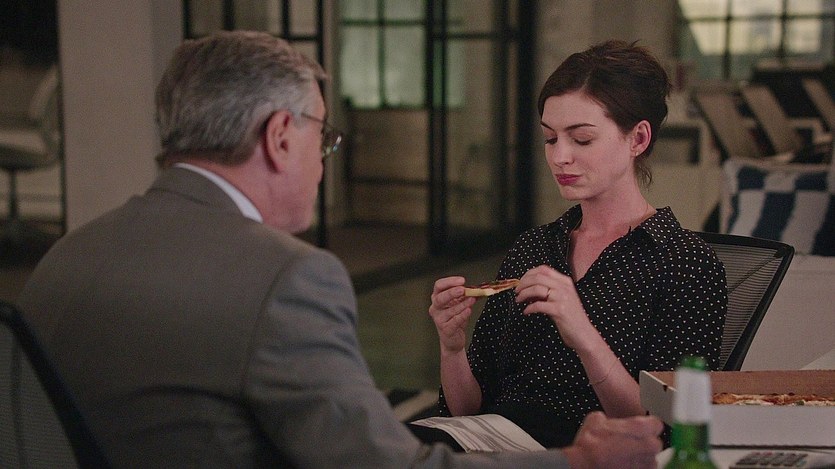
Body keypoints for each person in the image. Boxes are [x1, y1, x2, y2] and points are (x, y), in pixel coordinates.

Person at [16, 31, 664, 468]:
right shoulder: (287, 278)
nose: (323, 164)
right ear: (280, 137)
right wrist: (576, 462)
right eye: (322, 140)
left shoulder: (65, 256)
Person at [427, 39, 727, 448]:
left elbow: (667, 430)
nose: (560, 157)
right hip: (490, 442)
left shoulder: (684, 262)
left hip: (586, 451)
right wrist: (452, 347)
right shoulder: (534, 248)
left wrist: (582, 332)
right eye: (550, 139)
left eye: (582, 139)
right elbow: (465, 412)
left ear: (638, 139)